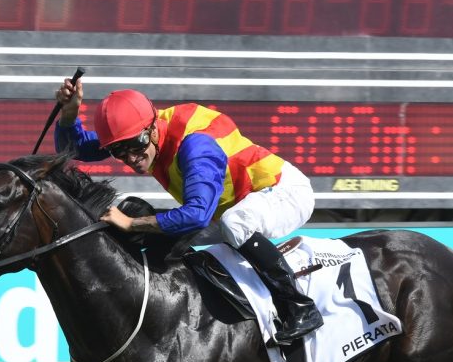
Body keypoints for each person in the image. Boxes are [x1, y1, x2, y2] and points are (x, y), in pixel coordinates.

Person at [52, 77, 322, 346]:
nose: (130, 158)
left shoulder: (195, 145)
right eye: (118, 151)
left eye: (136, 145)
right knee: (163, 239)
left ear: (152, 129)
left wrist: (132, 223)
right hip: (226, 207)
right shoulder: (140, 131)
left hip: (282, 192)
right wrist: (69, 114)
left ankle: (299, 306)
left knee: (234, 223)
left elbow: (197, 215)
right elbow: (74, 149)